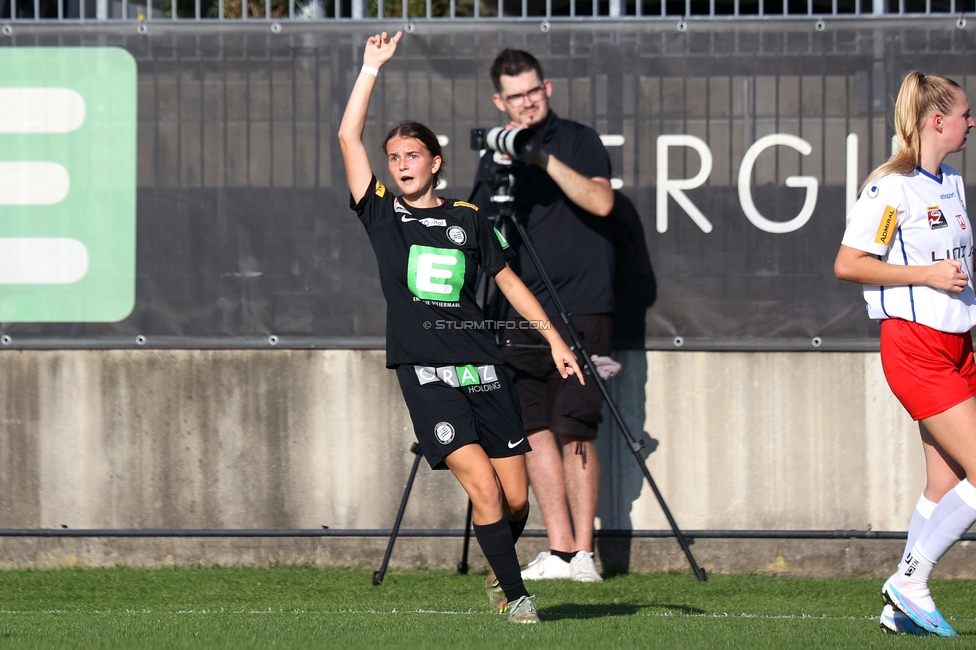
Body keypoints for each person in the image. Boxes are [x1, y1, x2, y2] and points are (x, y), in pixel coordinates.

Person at [338, 32, 584, 625]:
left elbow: (507, 282)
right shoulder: (380, 213)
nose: (400, 167)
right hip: (425, 372)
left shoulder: (468, 219)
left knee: (514, 498)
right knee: (483, 488)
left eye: (411, 156)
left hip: (483, 365)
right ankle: (518, 599)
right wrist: (370, 68)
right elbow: (348, 137)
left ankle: (502, 574)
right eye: (393, 158)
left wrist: (553, 337)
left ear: (435, 161)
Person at [835, 71, 976, 637]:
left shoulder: (954, 184)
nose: (972, 122)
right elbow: (850, 263)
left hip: (958, 345)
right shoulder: (891, 189)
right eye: (966, 113)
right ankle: (909, 582)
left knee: (944, 484)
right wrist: (926, 275)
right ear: (936, 121)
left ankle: (899, 605)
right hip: (915, 347)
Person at [470, 49, 616, 583]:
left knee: (575, 426)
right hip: (522, 310)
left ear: (547, 88)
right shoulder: (494, 155)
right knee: (532, 428)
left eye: (533, 91)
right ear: (499, 101)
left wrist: (540, 157)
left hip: (582, 304)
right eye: (515, 96)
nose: (527, 101)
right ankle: (557, 552)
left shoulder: (578, 140)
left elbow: (601, 203)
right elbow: (481, 230)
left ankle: (584, 554)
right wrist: (505, 163)